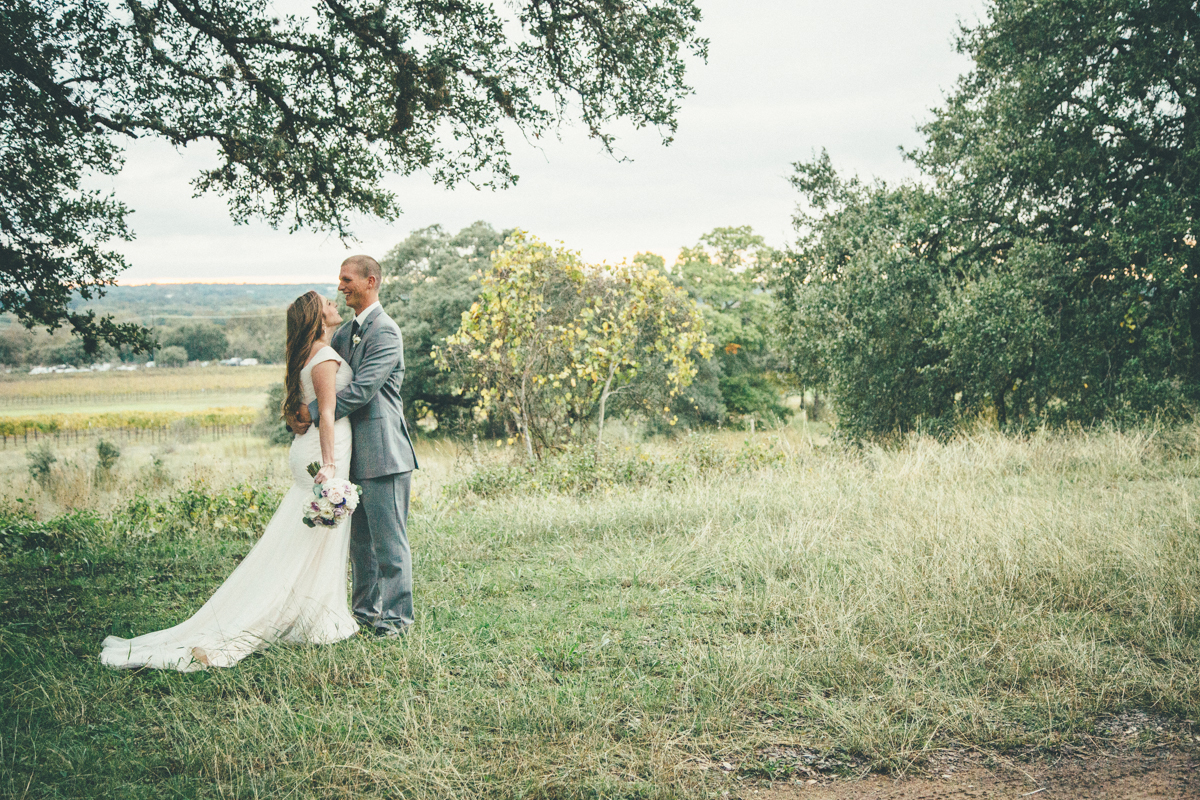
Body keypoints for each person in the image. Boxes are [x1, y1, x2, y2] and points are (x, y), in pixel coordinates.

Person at [99, 292, 358, 671]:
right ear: (319, 319)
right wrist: (331, 463)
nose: (335, 305)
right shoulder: (323, 357)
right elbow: (328, 411)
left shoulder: (314, 353)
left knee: (311, 536)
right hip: (324, 453)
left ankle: (318, 614)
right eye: (328, 304)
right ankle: (296, 617)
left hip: (317, 449)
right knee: (309, 536)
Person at [289, 255, 419, 638]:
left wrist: (310, 413)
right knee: (360, 544)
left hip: (384, 450)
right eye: (340, 279)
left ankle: (396, 621)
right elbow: (327, 379)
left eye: (347, 280)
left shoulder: (386, 331)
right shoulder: (344, 334)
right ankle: (364, 613)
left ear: (371, 281)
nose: (341, 286)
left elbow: (361, 390)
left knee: (389, 543)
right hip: (351, 454)